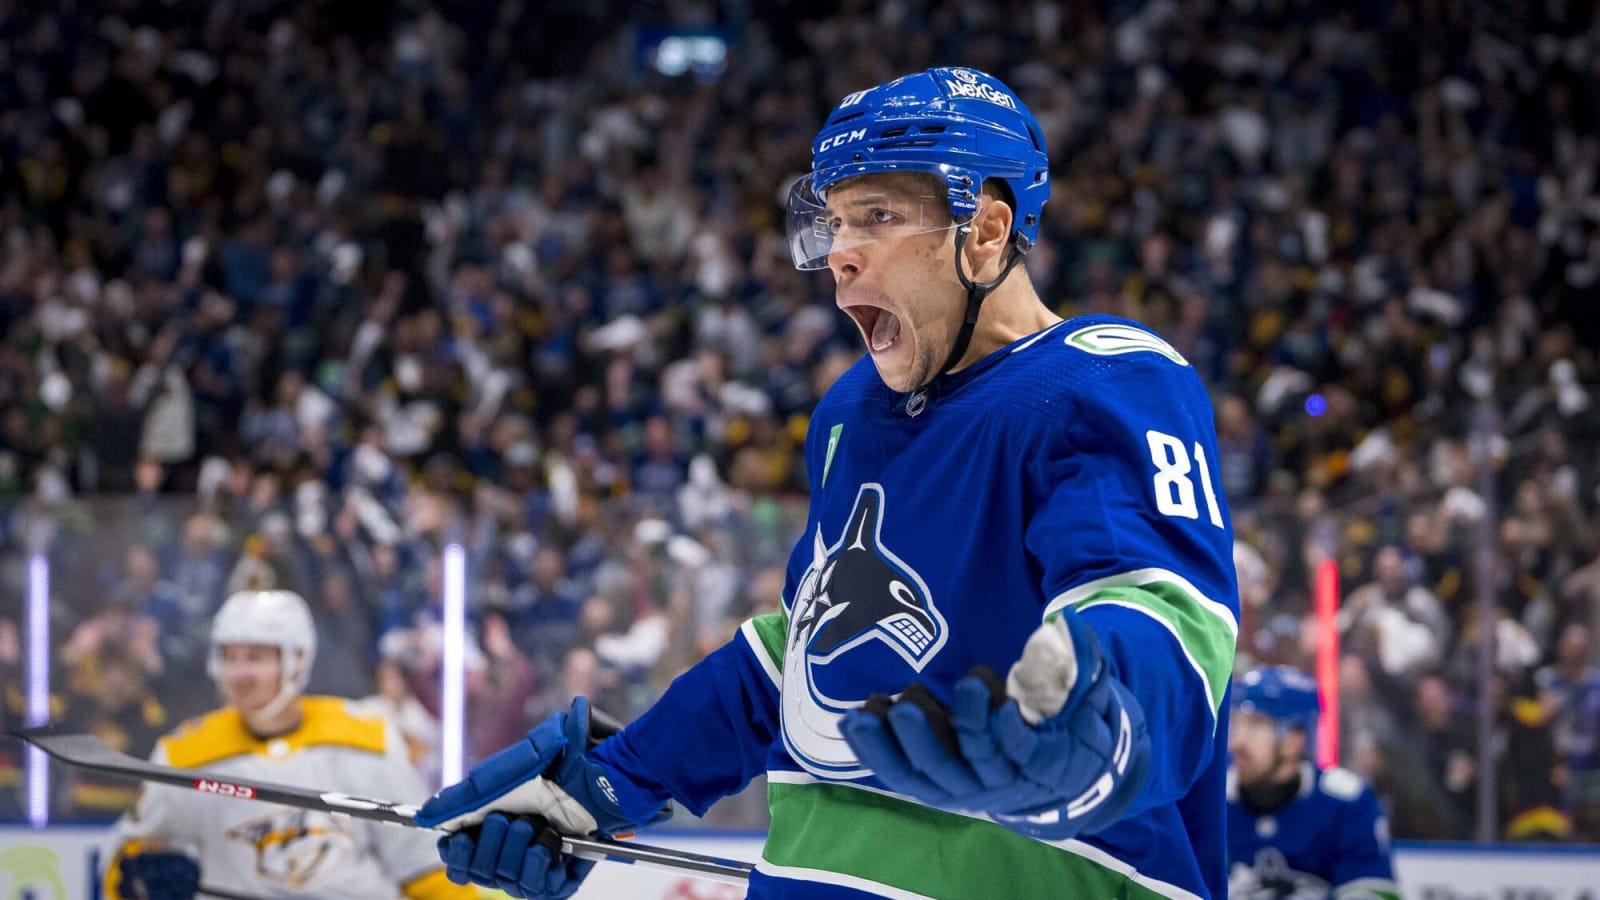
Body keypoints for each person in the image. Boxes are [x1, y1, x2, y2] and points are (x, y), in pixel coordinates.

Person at [417, 67, 1240, 899]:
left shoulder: (1105, 382)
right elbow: (804, 653)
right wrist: (606, 784)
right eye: (835, 222)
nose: (840, 256)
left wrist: (1100, 725)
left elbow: (1159, 610)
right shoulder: (855, 407)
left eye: (878, 217)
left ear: (986, 232)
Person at [101, 590, 476, 900]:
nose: (240, 674)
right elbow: (121, 865)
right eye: (230, 657)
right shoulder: (184, 755)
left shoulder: (363, 738)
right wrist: (136, 878)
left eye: (256, 657)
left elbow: (426, 870)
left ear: (297, 660)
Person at [1226, 666, 1400, 899]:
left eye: (1256, 725)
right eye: (1236, 724)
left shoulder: (1345, 803)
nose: (1237, 742)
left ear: (1293, 740)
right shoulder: (1209, 803)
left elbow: (1372, 892)